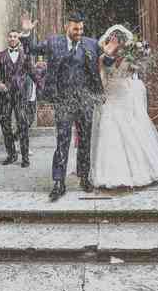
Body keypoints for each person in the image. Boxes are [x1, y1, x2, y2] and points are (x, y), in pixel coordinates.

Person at [19, 11, 117, 202]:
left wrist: (109, 54)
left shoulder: (91, 43)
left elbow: (106, 63)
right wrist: (27, 33)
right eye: (75, 28)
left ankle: (84, 177)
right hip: (63, 101)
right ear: (67, 26)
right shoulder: (54, 42)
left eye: (81, 28)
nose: (79, 31)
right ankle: (59, 182)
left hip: (86, 100)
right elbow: (31, 49)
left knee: (85, 141)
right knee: (62, 141)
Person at [90, 26, 158, 188]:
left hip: (125, 94)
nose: (115, 43)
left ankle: (138, 170)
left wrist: (140, 56)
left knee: (130, 127)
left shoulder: (130, 57)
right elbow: (100, 75)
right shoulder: (103, 57)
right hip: (110, 94)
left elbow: (135, 72)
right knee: (109, 129)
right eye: (112, 40)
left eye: (117, 40)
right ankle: (111, 172)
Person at [0, 30, 37, 167]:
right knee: (5, 125)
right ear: (7, 38)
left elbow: (32, 72)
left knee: (23, 125)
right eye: (10, 36)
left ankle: (25, 157)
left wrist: (43, 86)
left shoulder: (25, 55)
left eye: (15, 36)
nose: (12, 38)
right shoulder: (1, 55)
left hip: (21, 95)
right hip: (5, 95)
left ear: (18, 39)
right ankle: (11, 154)